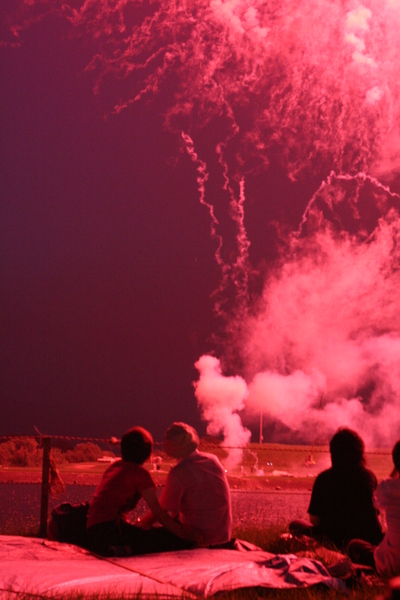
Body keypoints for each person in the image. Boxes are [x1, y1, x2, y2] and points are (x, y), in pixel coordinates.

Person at [85, 426, 196, 556]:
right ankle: (124, 549)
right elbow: (159, 513)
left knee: (144, 533)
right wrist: (184, 536)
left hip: (92, 532)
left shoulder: (114, 466)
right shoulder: (141, 474)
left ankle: (123, 547)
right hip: (111, 532)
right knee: (166, 537)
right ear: (148, 452)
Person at [138, 422, 232, 547]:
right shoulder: (213, 460)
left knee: (150, 536)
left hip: (199, 541)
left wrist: (139, 525)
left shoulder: (179, 473)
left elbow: (159, 513)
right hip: (223, 538)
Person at [289, 427, 383, 549]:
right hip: (368, 539)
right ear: (360, 453)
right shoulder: (369, 477)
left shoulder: (323, 479)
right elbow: (376, 514)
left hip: (332, 539)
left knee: (295, 525)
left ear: (333, 453)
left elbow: (315, 520)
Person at [347, 440, 400, 577]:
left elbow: (377, 501)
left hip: (391, 565)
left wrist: (397, 468)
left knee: (354, 545)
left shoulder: (388, 487)